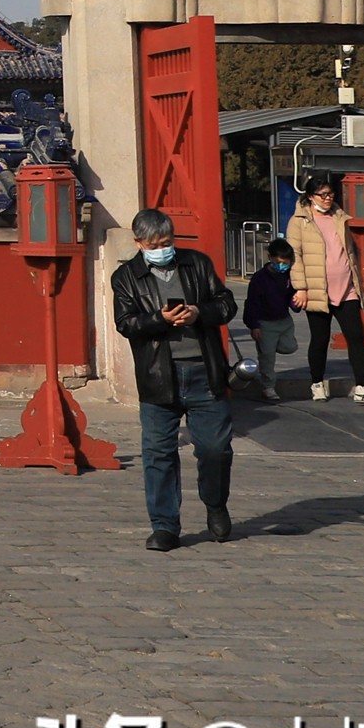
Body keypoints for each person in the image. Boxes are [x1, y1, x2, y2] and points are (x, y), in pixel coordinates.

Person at [110, 209, 238, 551]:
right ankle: (164, 525)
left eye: (167, 242)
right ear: (139, 243)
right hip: (158, 376)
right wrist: (160, 319)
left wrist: (199, 312)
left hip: (204, 370)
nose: (161, 249)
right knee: (158, 453)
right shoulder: (126, 277)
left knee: (215, 448)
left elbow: (226, 305)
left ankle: (215, 504)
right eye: (153, 244)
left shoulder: (196, 264)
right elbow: (126, 323)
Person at [287, 178, 364, 402]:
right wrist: (301, 288)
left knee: (356, 336)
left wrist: (358, 283)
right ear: (310, 196)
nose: (328, 199)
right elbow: (294, 256)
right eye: (323, 195)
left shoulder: (339, 216)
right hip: (318, 288)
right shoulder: (299, 221)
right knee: (320, 339)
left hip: (347, 288)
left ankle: (361, 386)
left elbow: (349, 252)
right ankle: (317, 382)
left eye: (330, 194)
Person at [242, 238, 299, 400]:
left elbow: (292, 296)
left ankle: (270, 347)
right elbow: (252, 303)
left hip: (284, 320)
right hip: (265, 323)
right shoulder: (260, 278)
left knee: (290, 347)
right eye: (278, 262)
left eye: (285, 262)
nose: (282, 265)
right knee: (267, 358)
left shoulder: (290, 276)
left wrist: (297, 303)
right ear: (270, 258)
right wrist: (254, 325)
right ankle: (268, 387)